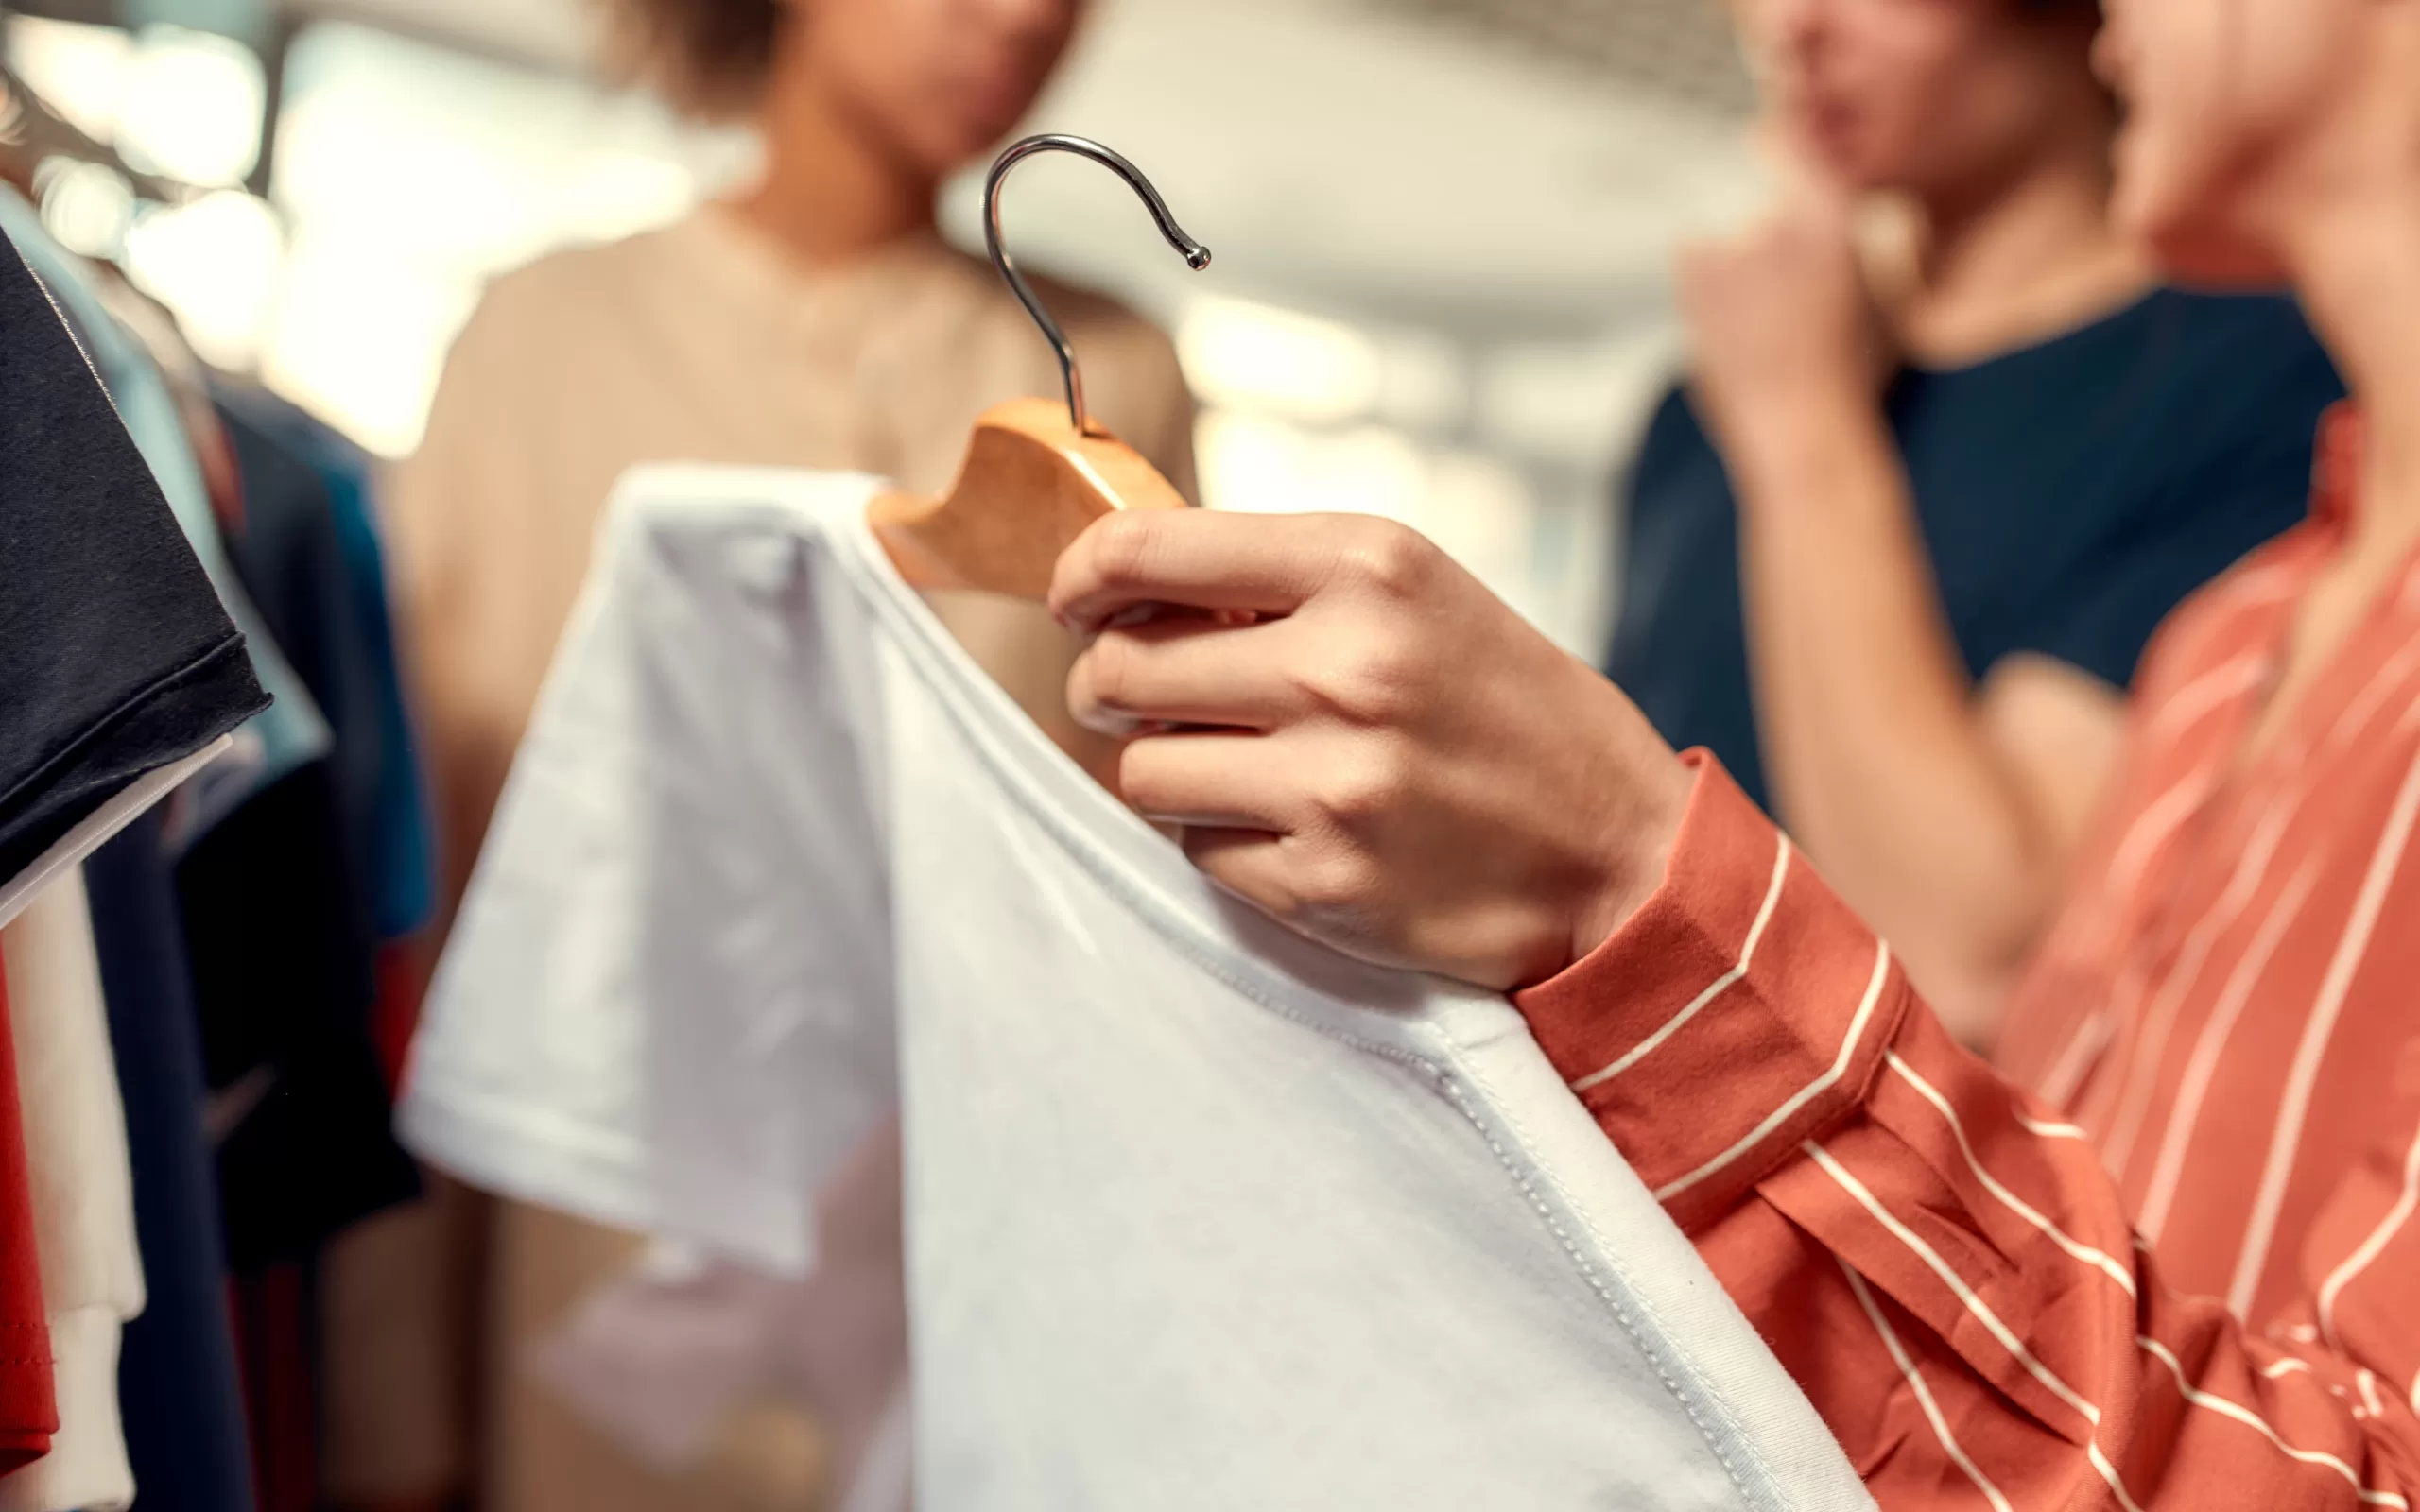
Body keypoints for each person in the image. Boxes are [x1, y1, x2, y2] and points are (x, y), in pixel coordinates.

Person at [1040, 0, 2420, 1497]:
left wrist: (1630, 857)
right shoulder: (2235, 631)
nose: (1788, 27)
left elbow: (1975, 972)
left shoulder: (2222, 397)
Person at [359, 2, 1195, 1510]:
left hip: (978, 1290)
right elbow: (444, 890)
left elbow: (1147, 913)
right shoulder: (536, 342)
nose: (1025, 16)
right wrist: (392, 1393)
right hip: (593, 1271)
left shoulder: (1113, 378)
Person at [1610, 0, 2341, 1044]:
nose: (1792, 27)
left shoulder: (2262, 382)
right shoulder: (1700, 410)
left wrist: (1805, 430)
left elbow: (1969, 960)